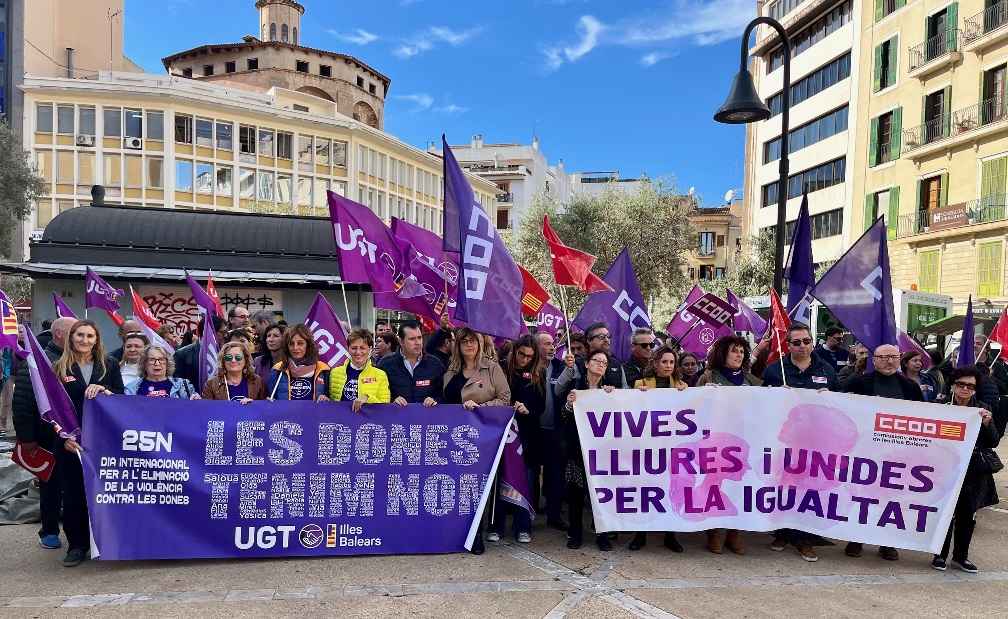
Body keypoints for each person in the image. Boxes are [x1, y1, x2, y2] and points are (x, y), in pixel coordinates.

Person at [760, 322, 840, 562]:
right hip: (784, 442)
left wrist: (831, 397)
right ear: (788, 345)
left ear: (812, 343)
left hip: (816, 442)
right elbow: (758, 402)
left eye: (806, 341)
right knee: (784, 486)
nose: (802, 346)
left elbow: (843, 403)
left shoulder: (827, 369)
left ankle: (804, 538)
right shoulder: (775, 369)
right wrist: (774, 394)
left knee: (809, 488)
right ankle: (784, 532)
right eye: (796, 342)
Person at [842, 343, 924, 561]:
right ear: (874, 360)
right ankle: (856, 538)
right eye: (884, 357)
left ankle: (887, 542)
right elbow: (841, 405)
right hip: (865, 451)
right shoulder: (859, 382)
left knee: (892, 498)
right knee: (862, 496)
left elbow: (924, 416)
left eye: (894, 357)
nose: (889, 361)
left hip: (897, 453)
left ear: (899, 360)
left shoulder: (909, 387)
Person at [53, 319, 124, 566]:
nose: (85, 340)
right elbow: (48, 410)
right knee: (73, 496)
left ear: (97, 340)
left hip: (102, 441)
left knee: (104, 494)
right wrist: (63, 438)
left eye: (90, 336)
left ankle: (106, 541)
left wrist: (105, 389)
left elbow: (121, 398)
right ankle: (77, 545)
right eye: (80, 335)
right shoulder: (58, 368)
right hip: (70, 443)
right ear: (71, 337)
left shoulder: (110, 365)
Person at [442, 327, 511, 554]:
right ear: (458, 346)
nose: (469, 345)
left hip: (482, 437)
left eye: (473, 341)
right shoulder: (451, 369)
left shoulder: (491, 368)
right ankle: (455, 532)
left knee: (477, 486)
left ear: (480, 344)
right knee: (457, 486)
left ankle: (477, 535)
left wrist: (481, 408)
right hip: (453, 438)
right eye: (464, 342)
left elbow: (505, 398)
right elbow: (445, 398)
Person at [695, 335, 762, 555]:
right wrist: (704, 394)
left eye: (742, 352)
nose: (739, 355)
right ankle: (712, 532)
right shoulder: (708, 377)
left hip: (742, 443)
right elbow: (692, 406)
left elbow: (768, 403)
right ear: (723, 354)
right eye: (734, 351)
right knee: (714, 485)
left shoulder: (750, 380)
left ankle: (733, 534)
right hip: (715, 441)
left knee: (738, 487)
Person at [932, 365, 999, 573]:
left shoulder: (982, 409)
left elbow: (994, 441)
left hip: (973, 472)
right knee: (945, 513)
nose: (965, 389)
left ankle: (961, 557)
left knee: (968, 514)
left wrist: (987, 424)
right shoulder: (940, 406)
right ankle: (939, 555)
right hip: (945, 468)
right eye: (961, 384)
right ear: (953, 385)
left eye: (970, 385)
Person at [631, 345, 688, 554]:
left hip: (672, 448)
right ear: (655, 363)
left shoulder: (681, 386)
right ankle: (641, 534)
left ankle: (670, 536)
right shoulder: (640, 384)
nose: (668, 366)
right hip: (648, 448)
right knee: (646, 490)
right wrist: (638, 396)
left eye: (672, 362)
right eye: (664, 362)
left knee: (671, 489)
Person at [489, 334, 546, 544]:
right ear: (514, 350)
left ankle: (523, 526)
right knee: (500, 479)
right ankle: (496, 526)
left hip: (528, 435)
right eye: (521, 354)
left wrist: (527, 409)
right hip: (503, 432)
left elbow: (542, 406)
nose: (524, 360)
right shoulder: (500, 368)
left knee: (526, 480)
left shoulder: (538, 372)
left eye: (530, 357)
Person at [560, 349, 616, 551]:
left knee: (600, 495)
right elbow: (562, 415)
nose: (601, 364)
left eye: (604, 362)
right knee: (576, 494)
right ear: (586, 363)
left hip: (602, 453)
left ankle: (602, 534)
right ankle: (575, 532)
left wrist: (612, 397)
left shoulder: (610, 390)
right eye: (597, 360)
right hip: (577, 449)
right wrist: (569, 403)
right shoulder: (576, 386)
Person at [536, 331, 570, 531]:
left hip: (556, 430)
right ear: (537, 346)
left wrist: (570, 368)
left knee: (555, 474)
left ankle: (554, 515)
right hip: (532, 429)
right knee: (531, 473)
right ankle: (528, 511)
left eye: (553, 344)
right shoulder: (528, 367)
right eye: (547, 344)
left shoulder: (560, 367)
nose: (552, 347)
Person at [378, 320, 445, 406]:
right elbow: (377, 394)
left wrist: (435, 400)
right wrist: (392, 401)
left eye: (419, 337)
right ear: (401, 342)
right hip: (396, 417)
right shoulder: (385, 364)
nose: (417, 342)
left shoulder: (435, 364)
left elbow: (445, 395)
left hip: (426, 417)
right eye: (412, 339)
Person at [328, 327, 391, 410]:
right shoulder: (335, 373)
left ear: (370, 349)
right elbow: (331, 404)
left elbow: (385, 408)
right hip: (341, 420)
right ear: (348, 349)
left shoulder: (380, 375)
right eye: (353, 348)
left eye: (362, 348)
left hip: (368, 421)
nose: (358, 352)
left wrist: (368, 398)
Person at [267, 323, 330, 401]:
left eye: (300, 343)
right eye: (291, 344)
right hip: (287, 413)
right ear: (287, 346)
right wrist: (270, 401)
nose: (295, 348)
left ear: (308, 344)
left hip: (314, 413)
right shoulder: (277, 370)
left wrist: (326, 399)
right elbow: (271, 399)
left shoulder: (323, 370)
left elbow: (331, 401)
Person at [124, 345, 199, 399]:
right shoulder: (131, 389)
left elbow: (193, 412)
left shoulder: (183, 386)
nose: (157, 363)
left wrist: (197, 401)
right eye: (151, 360)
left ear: (167, 363)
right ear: (144, 364)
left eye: (161, 359)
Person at [173, 314, 227, 387]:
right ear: (210, 332)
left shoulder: (227, 353)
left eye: (226, 332)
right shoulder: (182, 354)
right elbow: (177, 383)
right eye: (222, 332)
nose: (225, 335)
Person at [253, 323, 286, 387]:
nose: (270, 340)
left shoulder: (291, 362)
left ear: (284, 339)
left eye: (276, 336)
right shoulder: (258, 361)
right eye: (268, 336)